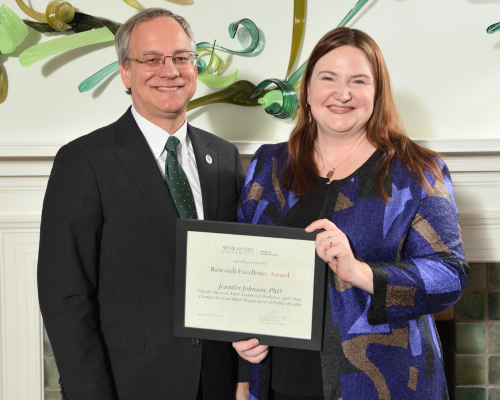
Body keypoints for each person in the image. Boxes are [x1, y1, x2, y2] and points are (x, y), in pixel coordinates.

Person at [233, 27, 468, 400]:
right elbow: (241, 270)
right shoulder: (268, 166)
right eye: (328, 78)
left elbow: (449, 277)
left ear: (377, 94)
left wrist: (358, 271)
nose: (342, 93)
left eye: (358, 81)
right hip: (278, 383)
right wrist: (241, 340)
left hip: (382, 386)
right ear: (307, 90)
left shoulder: (418, 172)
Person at [37, 8, 245, 400]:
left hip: (216, 382)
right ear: (126, 73)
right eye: (151, 59)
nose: (170, 71)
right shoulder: (84, 160)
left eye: (182, 57)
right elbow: (65, 297)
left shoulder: (224, 157)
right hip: (128, 384)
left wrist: (243, 377)